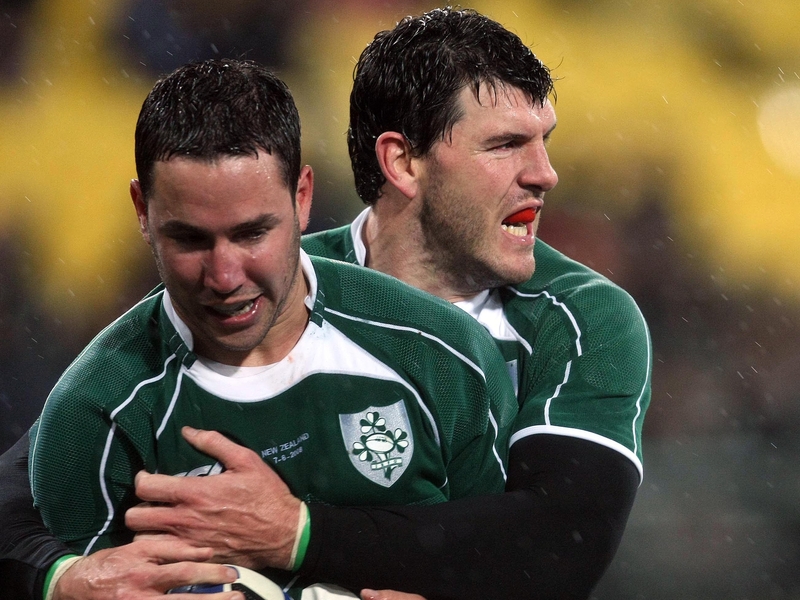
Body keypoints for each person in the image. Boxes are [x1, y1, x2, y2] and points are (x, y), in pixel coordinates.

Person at [0, 7, 652, 600]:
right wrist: (64, 579)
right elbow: (23, 494)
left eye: (545, 139)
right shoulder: (255, 287)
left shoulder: (581, 318)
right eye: (506, 144)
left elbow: (562, 543)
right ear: (403, 163)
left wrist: (302, 536)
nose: (545, 172)